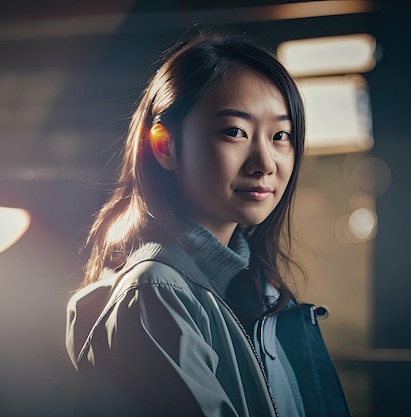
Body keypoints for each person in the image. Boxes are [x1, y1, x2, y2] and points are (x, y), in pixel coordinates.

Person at [65, 28, 348, 417]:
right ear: (165, 144)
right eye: (234, 131)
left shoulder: (258, 287)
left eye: (281, 135)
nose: (265, 163)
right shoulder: (155, 293)